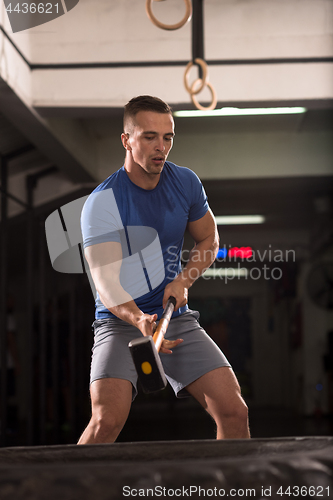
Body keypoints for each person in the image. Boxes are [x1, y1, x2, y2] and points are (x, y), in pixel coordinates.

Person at [78, 95, 250, 444]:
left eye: (168, 137)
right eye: (149, 137)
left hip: (176, 316)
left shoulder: (185, 182)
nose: (161, 147)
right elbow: (107, 284)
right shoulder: (103, 203)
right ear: (126, 140)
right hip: (120, 320)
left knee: (234, 412)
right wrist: (138, 318)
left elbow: (209, 240)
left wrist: (184, 279)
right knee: (105, 422)